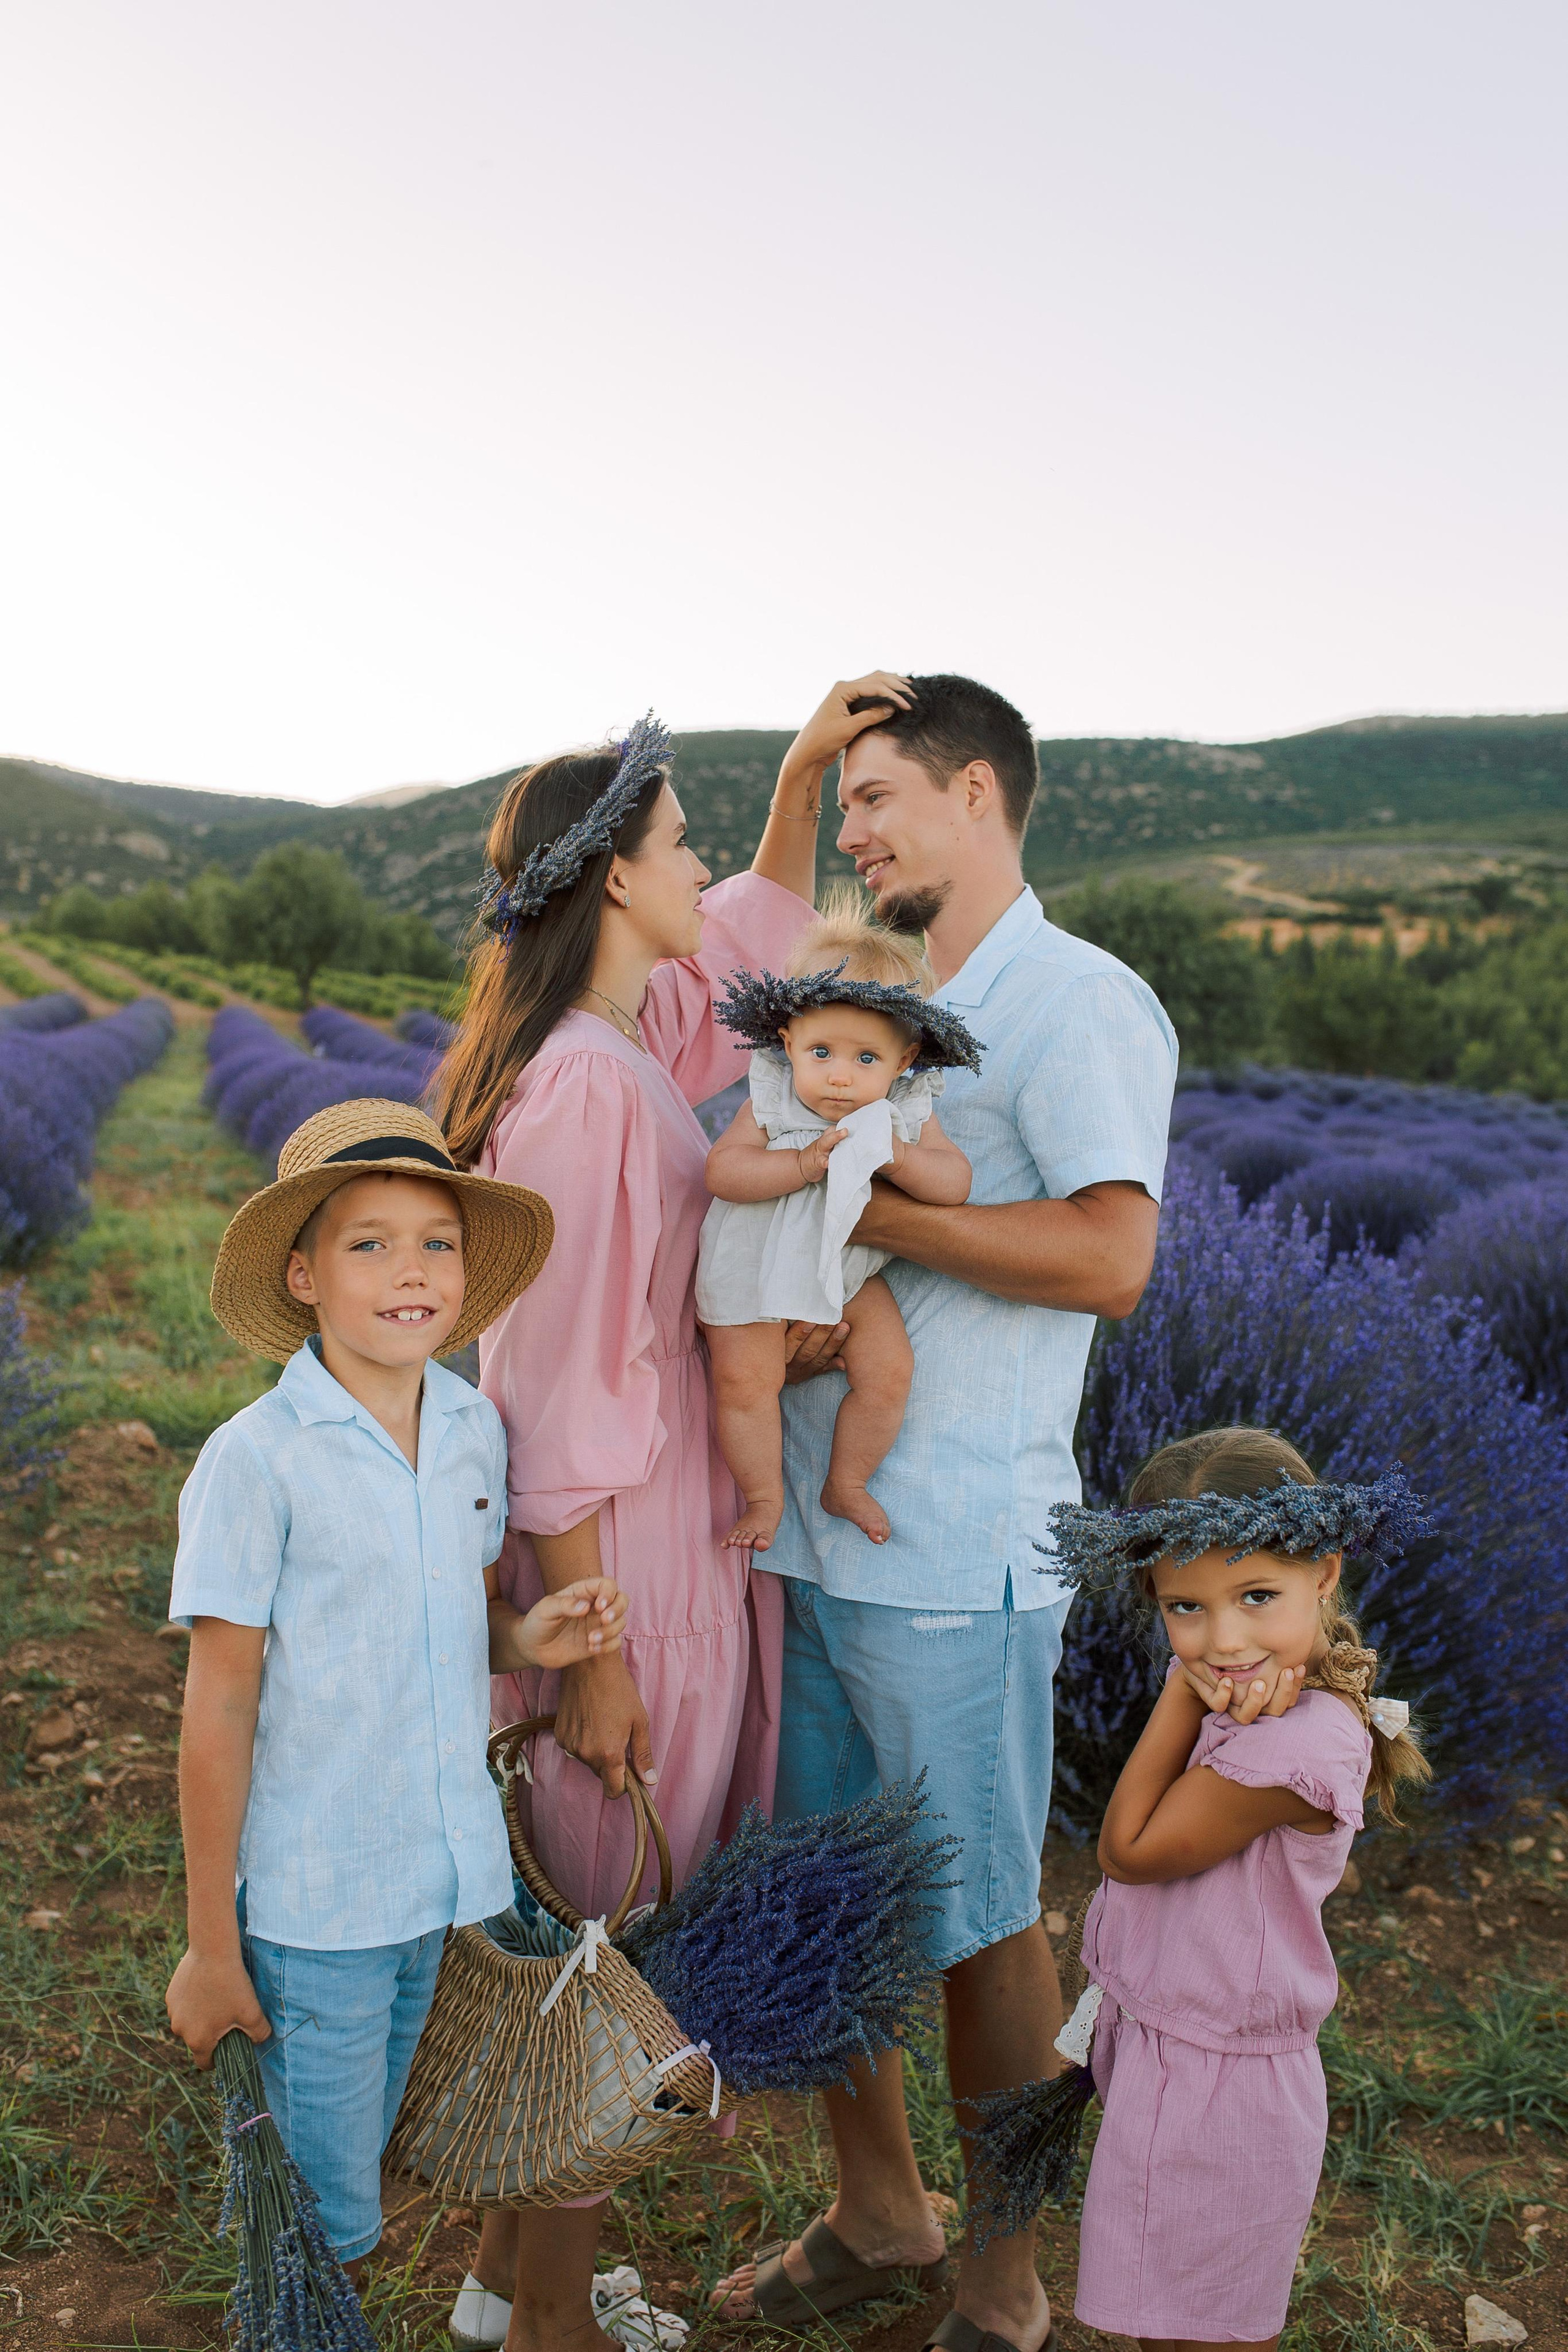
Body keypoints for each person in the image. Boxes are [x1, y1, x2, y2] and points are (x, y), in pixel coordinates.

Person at [431, 687, 911, 2352]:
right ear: (615, 883)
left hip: (658, 1545)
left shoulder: (631, 1046)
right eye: (678, 839)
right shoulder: (581, 1088)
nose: (700, 861)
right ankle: (551, 2328)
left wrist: (791, 785)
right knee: (605, 1957)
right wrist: (592, 1654)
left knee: (601, 1930)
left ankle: (509, 2289)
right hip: (617, 1564)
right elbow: (550, 1388)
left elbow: (744, 962)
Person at [712, 672, 1179, 2352]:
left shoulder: (1078, 1004)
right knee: (819, 1885)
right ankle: (878, 2210)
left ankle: (1002, 2273)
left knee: (982, 1922)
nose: (857, 832)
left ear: (978, 793)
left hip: (958, 1545)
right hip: (815, 1536)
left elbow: (1112, 1259)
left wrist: (884, 1231)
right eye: (844, 807)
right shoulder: (876, 995)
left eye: (879, 798)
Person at [164, 1100, 631, 2276]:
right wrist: (211, 1947)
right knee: (325, 2219)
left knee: (368, 2157)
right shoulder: (259, 1459)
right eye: (368, 1243)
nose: (410, 1271)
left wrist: (536, 1634)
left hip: (445, 1879)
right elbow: (217, 1708)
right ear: (304, 1275)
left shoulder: (471, 1427)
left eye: (437, 1242)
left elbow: (450, 1631)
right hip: (319, 1903)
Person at [1046, 1426, 1430, 2352]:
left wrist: (1180, 1693)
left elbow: (1129, 1849)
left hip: (1221, 2094)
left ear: (1324, 1574)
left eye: (1257, 1596)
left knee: (1199, 2329)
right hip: (1186, 2054)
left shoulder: (1291, 1748)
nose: (1222, 1640)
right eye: (1185, 1610)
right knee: (1166, 2318)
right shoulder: (1270, 1707)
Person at [697, 892, 978, 1549]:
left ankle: (847, 1481)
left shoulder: (906, 1109)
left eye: (866, 1060)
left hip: (848, 1266)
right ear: (788, 1041)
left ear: (904, 1060)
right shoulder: (772, 1095)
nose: (841, 1080)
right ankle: (762, 1498)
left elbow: (953, 1183)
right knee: (745, 1383)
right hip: (755, 1259)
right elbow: (723, 1172)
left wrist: (899, 1157)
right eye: (821, 1052)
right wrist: (801, 1166)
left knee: (888, 1372)